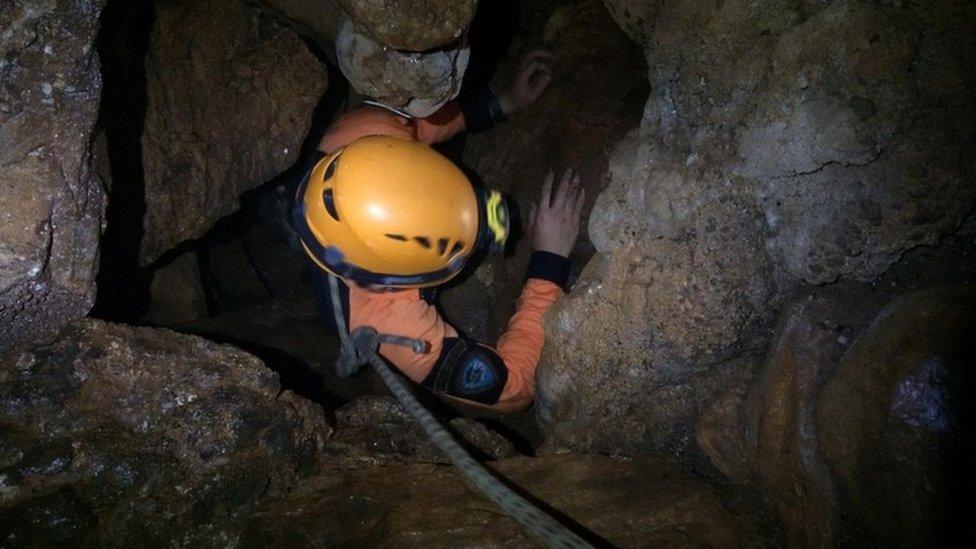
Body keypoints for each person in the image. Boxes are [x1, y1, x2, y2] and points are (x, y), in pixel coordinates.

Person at [292, 47, 584, 413]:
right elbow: (514, 386)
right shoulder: (389, 321)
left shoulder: (364, 134)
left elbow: (419, 125)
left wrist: (502, 102)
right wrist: (549, 263)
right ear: (404, 278)